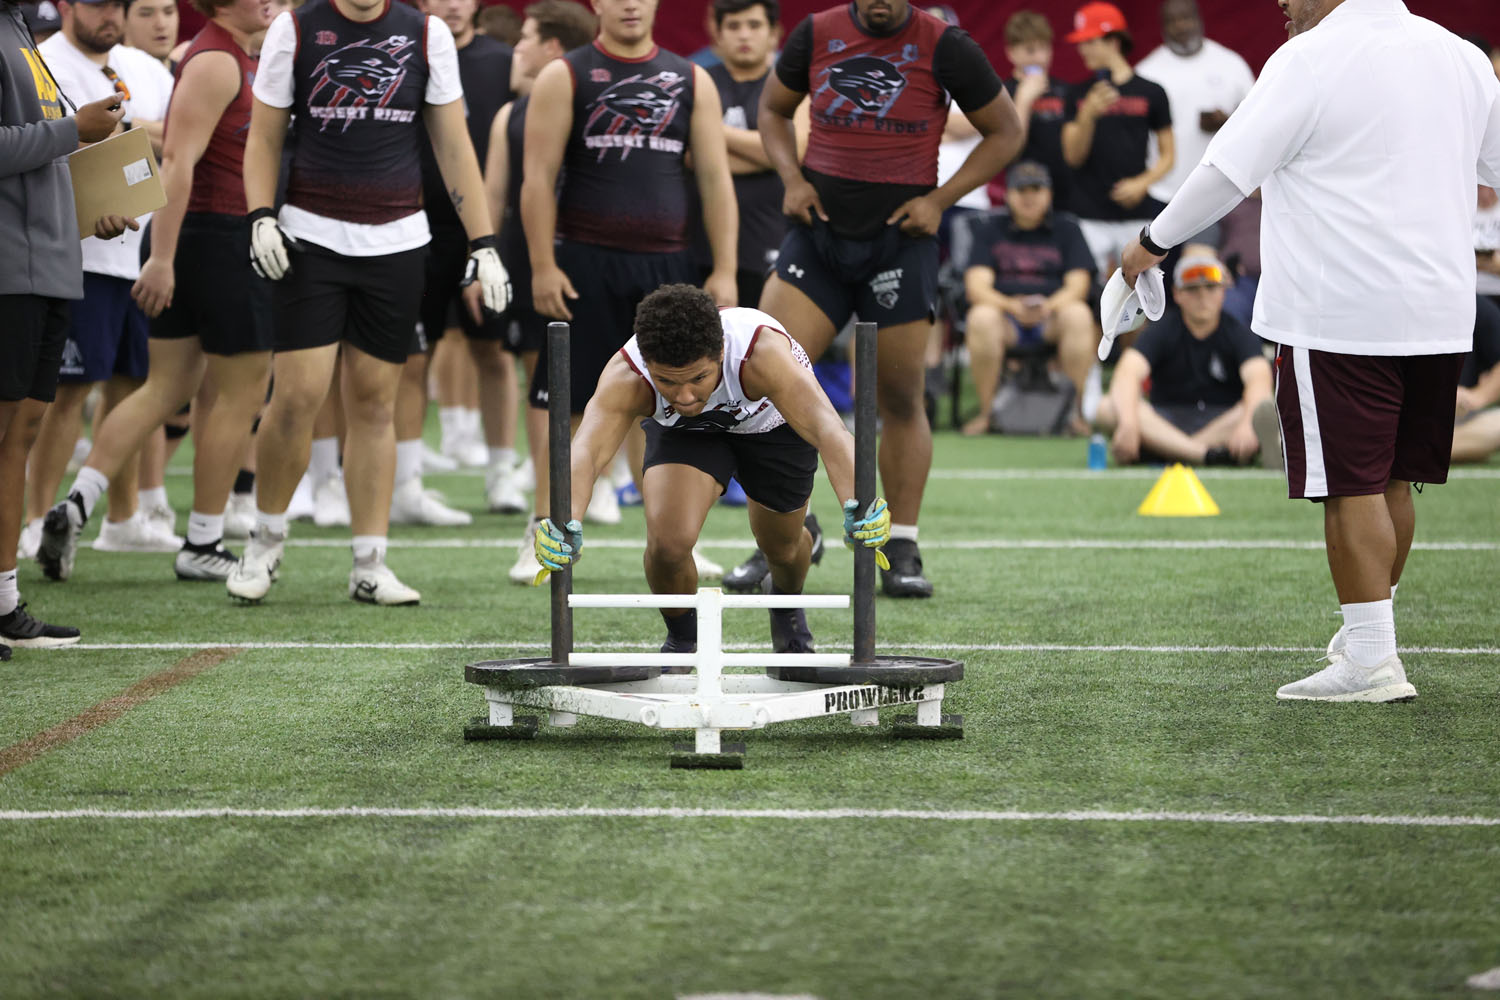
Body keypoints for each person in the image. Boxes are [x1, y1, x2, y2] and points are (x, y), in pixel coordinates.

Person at [1120, 0, 1500, 702]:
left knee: (1352, 485)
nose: (1282, 4)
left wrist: (1151, 243)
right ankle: (1370, 636)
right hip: (1442, 311)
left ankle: (1370, 660)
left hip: (1339, 314)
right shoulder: (1461, 56)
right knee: (1393, 478)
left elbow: (1226, 171)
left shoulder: (1309, 58)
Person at [230, 0, 511, 606]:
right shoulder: (295, 26)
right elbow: (265, 135)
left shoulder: (427, 32)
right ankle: (265, 540)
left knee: (376, 402)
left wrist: (484, 242)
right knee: (298, 394)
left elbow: (454, 144)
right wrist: (259, 216)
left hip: (399, 243)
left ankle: (369, 562)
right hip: (310, 238)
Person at [744, 0, 1020, 599]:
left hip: (902, 239)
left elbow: (1008, 130)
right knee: (765, 378)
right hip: (817, 236)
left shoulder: (945, 44)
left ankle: (902, 543)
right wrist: (790, 178)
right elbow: (771, 109)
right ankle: (791, 534)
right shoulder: (816, 33)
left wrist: (941, 201)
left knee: (898, 394)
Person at [38, 0, 278, 586]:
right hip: (215, 237)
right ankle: (202, 539)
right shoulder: (217, 60)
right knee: (239, 395)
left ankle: (78, 504)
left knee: (164, 387)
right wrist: (163, 258)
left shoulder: (224, 57)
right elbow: (176, 162)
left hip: (196, 237)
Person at [530, 284, 891, 657]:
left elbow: (830, 431)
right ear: (649, 363)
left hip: (772, 427)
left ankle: (785, 603)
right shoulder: (628, 373)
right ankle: (684, 638)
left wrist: (860, 502)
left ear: (720, 353)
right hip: (688, 434)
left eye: (698, 378)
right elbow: (587, 451)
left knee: (781, 548)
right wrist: (564, 520)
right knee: (668, 544)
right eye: (667, 381)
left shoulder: (762, 353)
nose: (684, 396)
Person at [519, 0, 739, 569]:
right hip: (584, 262)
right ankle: (543, 531)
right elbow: (537, 179)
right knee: (565, 405)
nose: (630, 4)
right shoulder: (563, 74)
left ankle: (673, 537)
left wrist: (725, 268)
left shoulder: (693, 79)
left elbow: (716, 180)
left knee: (671, 403)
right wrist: (543, 264)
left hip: (666, 270)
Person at [1, 0, 135, 658]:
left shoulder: (24, 32)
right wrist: (73, 132)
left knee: (18, 437)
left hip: (49, 266)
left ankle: (4, 602)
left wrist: (102, 198)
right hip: (9, 270)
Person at [29, 0, 177, 565]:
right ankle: (34, 518)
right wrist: (122, 137)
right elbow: (61, 147)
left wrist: (126, 130)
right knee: (62, 395)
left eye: (118, 3)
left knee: (131, 385)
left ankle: (123, 517)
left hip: (140, 251)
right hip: (79, 252)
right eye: (96, 3)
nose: (109, 14)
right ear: (65, 6)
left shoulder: (145, 68)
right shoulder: (43, 63)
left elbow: (179, 138)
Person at [480, 0, 598, 582]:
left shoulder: (596, 95)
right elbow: (496, 194)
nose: (516, 47)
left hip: (598, 258)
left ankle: (622, 497)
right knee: (546, 388)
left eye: (526, 37)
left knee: (641, 384)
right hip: (533, 260)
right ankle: (542, 523)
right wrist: (484, 262)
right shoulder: (510, 115)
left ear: (554, 46)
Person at [390, 0, 515, 527]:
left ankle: (502, 472)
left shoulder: (503, 61)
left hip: (485, 228)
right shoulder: (402, 50)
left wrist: (488, 237)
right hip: (410, 226)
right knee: (414, 357)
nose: (451, 5)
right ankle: (407, 484)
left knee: (493, 350)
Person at [1096, 249, 1272, 466]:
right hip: (1166, 419)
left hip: (1221, 420)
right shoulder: (1163, 329)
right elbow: (1127, 373)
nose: (1202, 296)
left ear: (1223, 292)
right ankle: (1204, 455)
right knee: (1107, 408)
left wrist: (1247, 423)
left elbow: (1259, 380)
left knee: (1261, 409)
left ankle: (1170, 452)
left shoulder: (1239, 332)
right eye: (1192, 289)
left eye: (1210, 287)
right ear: (1177, 294)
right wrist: (1129, 423)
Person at [961, 160, 1096, 436]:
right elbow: (976, 286)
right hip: (1006, 318)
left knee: (1079, 314)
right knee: (981, 317)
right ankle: (988, 414)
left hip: (1052, 316)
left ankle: (1075, 415)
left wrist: (1048, 306)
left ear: (1049, 194)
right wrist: (1011, 305)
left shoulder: (1068, 228)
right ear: (1008, 194)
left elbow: (1079, 285)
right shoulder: (989, 228)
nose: (1029, 196)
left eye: (1037, 189)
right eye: (1022, 190)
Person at [1060, 1, 1174, 278]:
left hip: (1136, 214)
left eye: (1089, 41)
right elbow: (1072, 157)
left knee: (1140, 296)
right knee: (1090, 298)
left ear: (1113, 41)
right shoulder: (1077, 93)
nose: (1081, 49)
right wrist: (1087, 114)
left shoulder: (1152, 91)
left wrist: (1141, 183)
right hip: (1087, 215)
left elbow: (1168, 155)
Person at [1135, 0, 1254, 209]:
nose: (1181, 26)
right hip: (1163, 193)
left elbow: (1257, 121)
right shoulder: (1146, 73)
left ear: (1199, 19)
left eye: (1186, 18)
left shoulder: (1231, 64)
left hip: (1224, 194)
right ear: (1162, 27)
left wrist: (1227, 123)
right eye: (1172, 21)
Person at [1000, 10, 1073, 213]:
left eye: (1045, 48)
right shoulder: (1002, 92)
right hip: (1024, 193)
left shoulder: (1065, 90)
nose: (1040, 58)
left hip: (1066, 195)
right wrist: (1023, 101)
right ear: (1012, 52)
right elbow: (1009, 151)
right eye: (1031, 50)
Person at [1451, 293, 1500, 463]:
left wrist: (1477, 397)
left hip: (1459, 419)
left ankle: (1425, 450)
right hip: (1396, 416)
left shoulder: (1472, 303)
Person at [123, 0, 177, 71]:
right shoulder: (106, 78)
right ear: (122, 19)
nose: (161, 25)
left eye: (169, 12)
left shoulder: (190, 76)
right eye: (146, 14)